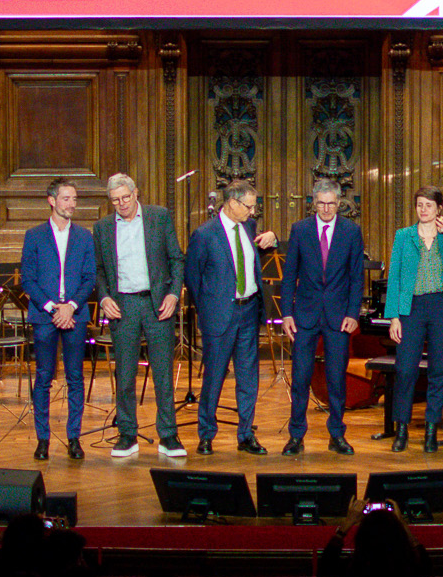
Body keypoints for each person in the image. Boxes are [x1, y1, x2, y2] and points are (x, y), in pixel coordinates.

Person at [94, 173, 187, 457]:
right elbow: (98, 270)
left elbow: (176, 259)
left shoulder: (159, 217)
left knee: (162, 373)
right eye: (115, 200)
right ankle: (127, 434)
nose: (122, 203)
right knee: (124, 375)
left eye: (126, 197)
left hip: (158, 303)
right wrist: (104, 297)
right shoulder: (102, 227)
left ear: (136, 193)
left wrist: (173, 294)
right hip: (123, 305)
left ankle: (168, 435)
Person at [185, 180, 278, 457]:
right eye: (248, 206)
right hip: (219, 316)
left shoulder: (248, 227)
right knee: (214, 378)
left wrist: (272, 237)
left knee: (248, 378)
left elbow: (257, 251)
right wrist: (208, 310)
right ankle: (206, 435)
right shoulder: (204, 234)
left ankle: (246, 435)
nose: (252, 211)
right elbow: (193, 278)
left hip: (248, 312)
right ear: (232, 203)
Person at [382, 187, 443, 452]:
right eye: (420, 205)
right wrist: (394, 317)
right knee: (405, 369)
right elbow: (395, 277)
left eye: (429, 205)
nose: (424, 210)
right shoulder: (404, 236)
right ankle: (401, 428)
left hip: (442, 306)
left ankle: (431, 430)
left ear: (439, 209)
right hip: (411, 307)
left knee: (439, 369)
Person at [280, 180, 364, 457]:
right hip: (304, 316)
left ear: (339, 203)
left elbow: (357, 277)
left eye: (331, 203)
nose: (326, 209)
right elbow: (289, 275)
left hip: (339, 317)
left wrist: (353, 313)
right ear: (313, 203)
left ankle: (337, 434)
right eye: (321, 203)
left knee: (336, 379)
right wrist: (287, 313)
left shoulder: (351, 231)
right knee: (300, 378)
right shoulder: (300, 230)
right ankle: (296, 436)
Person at [20, 176, 96, 462]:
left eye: (74, 199)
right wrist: (54, 309)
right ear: (51, 201)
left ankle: (74, 438)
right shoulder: (34, 235)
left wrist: (70, 307)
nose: (72, 204)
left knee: (75, 377)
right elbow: (28, 280)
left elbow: (90, 277)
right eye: (66, 198)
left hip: (75, 315)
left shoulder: (84, 236)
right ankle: (43, 439)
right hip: (45, 316)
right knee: (43, 377)